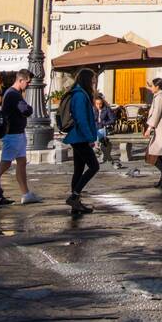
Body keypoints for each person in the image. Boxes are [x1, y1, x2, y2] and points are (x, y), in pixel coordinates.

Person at [0, 69, 40, 205]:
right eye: (27, 82)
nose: (28, 85)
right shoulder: (14, 94)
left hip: (17, 133)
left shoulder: (13, 93)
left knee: (21, 162)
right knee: (5, 164)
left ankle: (26, 194)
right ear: (20, 80)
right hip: (13, 134)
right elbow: (26, 110)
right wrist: (28, 108)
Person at [62, 68, 101, 214]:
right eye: (93, 81)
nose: (94, 84)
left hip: (79, 136)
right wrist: (90, 137)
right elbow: (81, 119)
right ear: (86, 80)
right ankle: (74, 196)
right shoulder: (79, 95)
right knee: (94, 166)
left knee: (78, 170)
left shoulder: (81, 94)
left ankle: (75, 204)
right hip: (79, 137)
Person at [93, 94, 116, 164]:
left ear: (102, 103)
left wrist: (104, 122)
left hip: (105, 128)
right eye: (97, 104)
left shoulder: (107, 109)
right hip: (95, 128)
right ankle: (97, 149)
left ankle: (96, 148)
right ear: (95, 103)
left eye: (100, 104)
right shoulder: (93, 109)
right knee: (96, 133)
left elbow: (112, 120)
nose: (99, 105)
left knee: (98, 133)